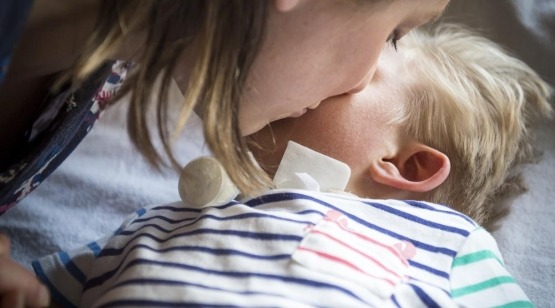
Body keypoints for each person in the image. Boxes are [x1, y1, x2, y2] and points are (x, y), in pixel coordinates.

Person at [32, 24, 551, 307]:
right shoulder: (163, 219)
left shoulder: (441, 240)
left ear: (406, 166)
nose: (340, 79)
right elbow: (40, 288)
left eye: (369, 78)